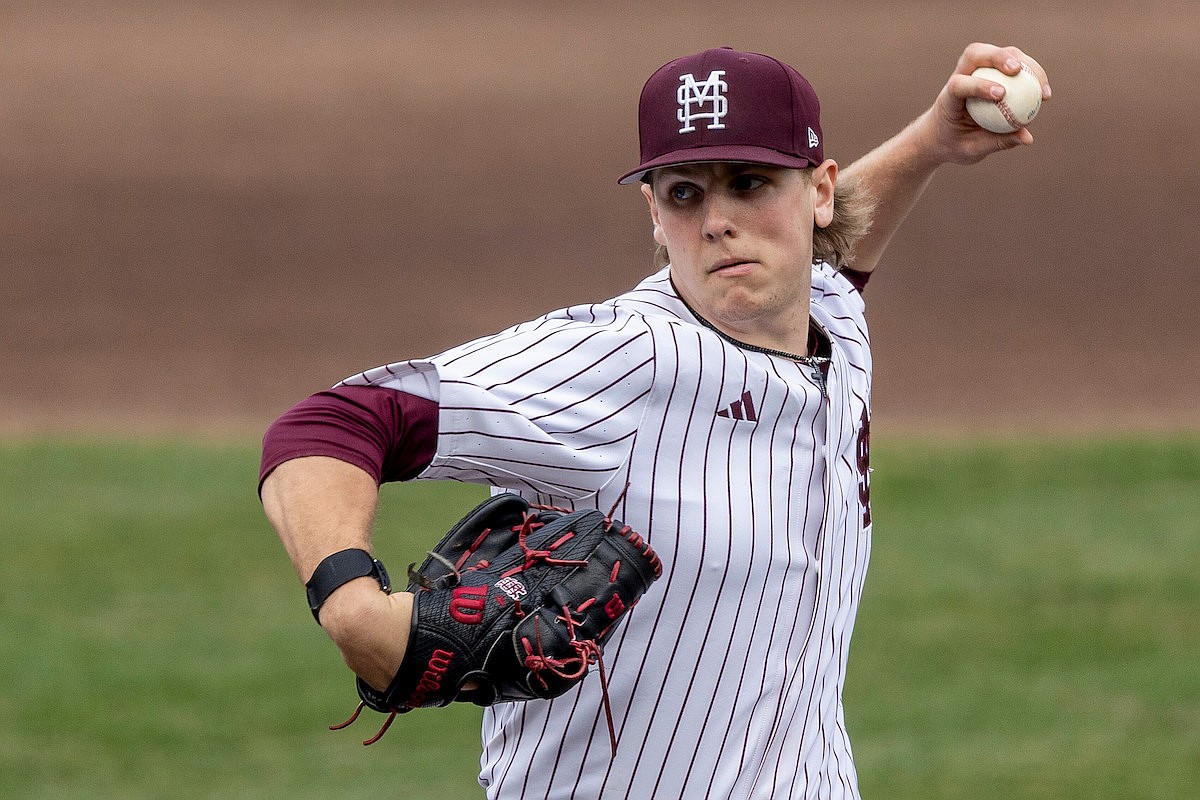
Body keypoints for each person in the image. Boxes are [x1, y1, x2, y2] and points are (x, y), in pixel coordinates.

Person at [259, 42, 1050, 799]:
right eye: (684, 193)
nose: (716, 222)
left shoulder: (829, 316)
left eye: (749, 183)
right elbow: (327, 426)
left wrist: (932, 142)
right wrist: (353, 606)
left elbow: (837, 261)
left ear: (818, 192)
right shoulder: (620, 360)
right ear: (653, 209)